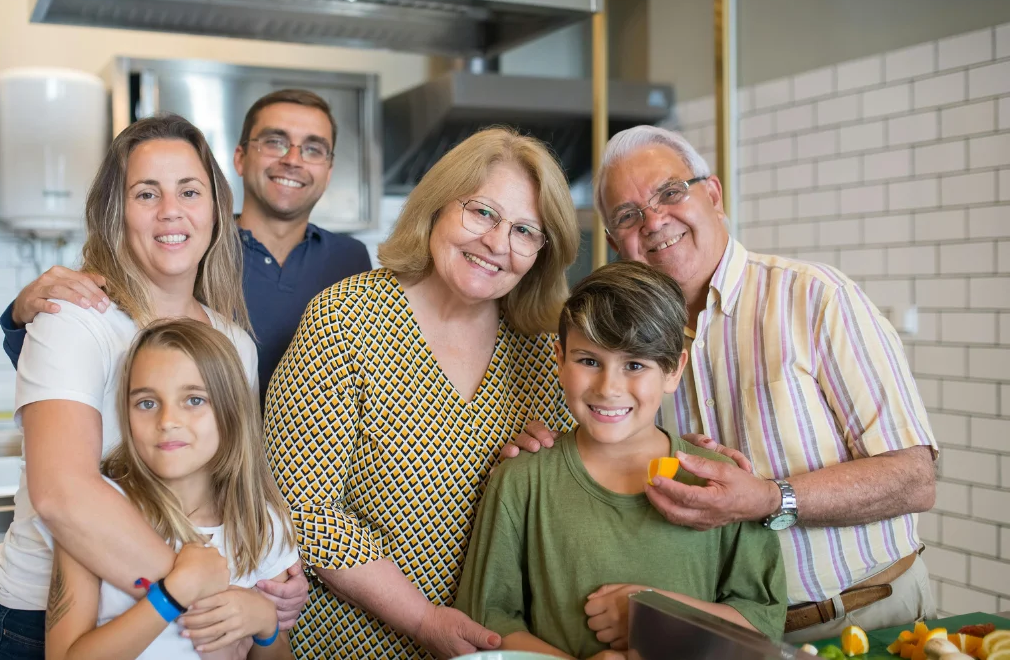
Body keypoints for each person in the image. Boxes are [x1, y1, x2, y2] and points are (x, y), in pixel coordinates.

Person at [503, 125, 938, 644]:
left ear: (713, 194)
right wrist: (543, 442)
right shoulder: (627, 339)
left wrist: (769, 498)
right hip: (715, 635)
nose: (655, 220)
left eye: (670, 192)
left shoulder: (816, 299)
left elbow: (915, 479)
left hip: (867, 616)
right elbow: (595, 425)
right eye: (628, 215)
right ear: (617, 242)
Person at [263, 126, 581, 659]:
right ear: (436, 205)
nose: (498, 244)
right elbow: (302, 508)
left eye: (526, 231)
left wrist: (547, 469)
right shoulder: (346, 319)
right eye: (482, 212)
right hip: (348, 641)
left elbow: (571, 497)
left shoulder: (544, 350)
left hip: (496, 644)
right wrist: (423, 620)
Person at [0, 114, 287, 659]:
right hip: (50, 623)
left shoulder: (235, 345)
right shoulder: (74, 320)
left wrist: (273, 580)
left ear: (216, 209)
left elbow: (234, 480)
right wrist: (199, 593)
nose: (171, 210)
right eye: (147, 193)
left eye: (189, 191)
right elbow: (61, 495)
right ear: (116, 214)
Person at [455, 261, 786, 659]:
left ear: (673, 370)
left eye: (634, 365)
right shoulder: (521, 480)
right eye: (589, 361)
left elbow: (762, 623)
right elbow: (490, 620)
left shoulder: (722, 484)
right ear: (559, 359)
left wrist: (652, 615)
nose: (609, 388)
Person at [0, 89, 371, 403]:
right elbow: (86, 347)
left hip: (308, 475)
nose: (292, 159)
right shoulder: (183, 248)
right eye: (275, 142)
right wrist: (24, 314)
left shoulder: (349, 259)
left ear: (329, 169)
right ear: (240, 158)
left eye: (313, 149)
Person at [42, 319, 298, 660]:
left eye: (193, 400)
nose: (166, 421)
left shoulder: (263, 524)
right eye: (147, 403)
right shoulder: (97, 512)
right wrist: (172, 594)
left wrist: (265, 625)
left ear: (231, 410)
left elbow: (276, 650)